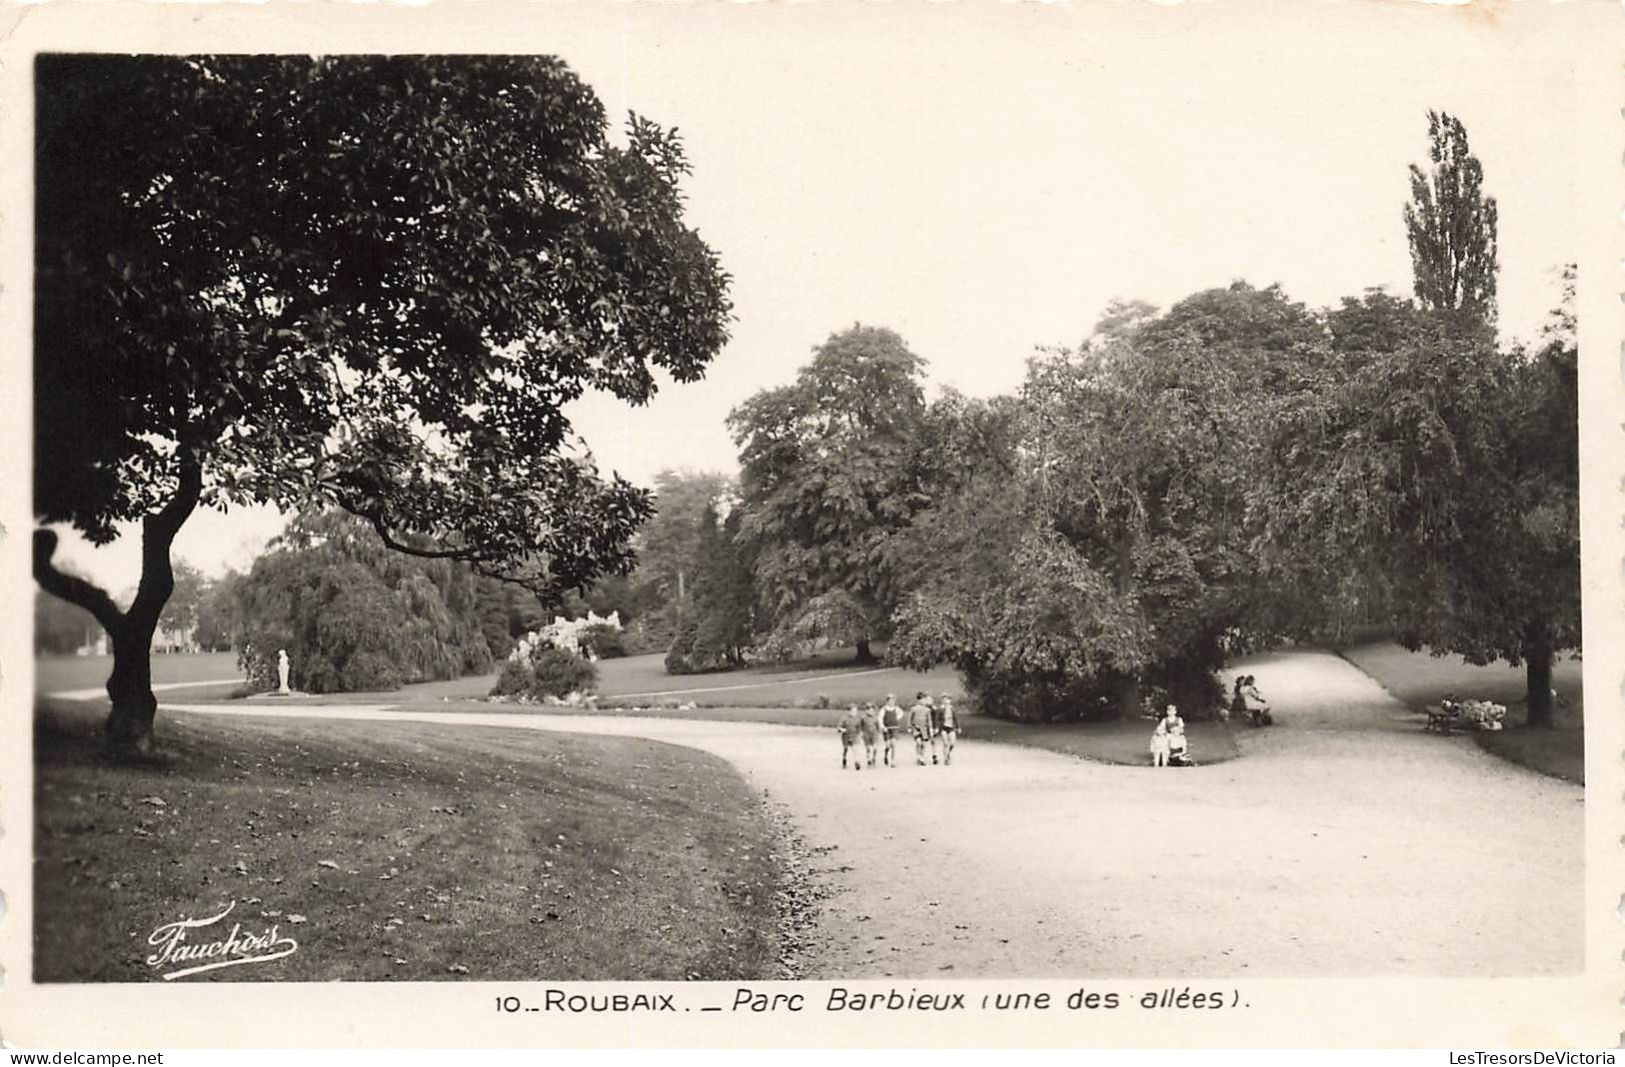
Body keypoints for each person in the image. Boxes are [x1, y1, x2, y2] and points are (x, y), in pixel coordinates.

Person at [907, 691, 935, 766]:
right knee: (918, 742)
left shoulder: (927, 710)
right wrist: (909, 727)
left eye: (923, 699)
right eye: (921, 699)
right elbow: (910, 718)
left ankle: (921, 756)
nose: (922, 701)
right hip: (916, 728)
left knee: (923, 744)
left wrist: (931, 728)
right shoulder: (913, 709)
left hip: (924, 729)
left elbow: (929, 720)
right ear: (918, 700)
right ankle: (919, 756)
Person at [878, 693, 904, 767]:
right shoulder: (884, 709)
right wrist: (882, 727)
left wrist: (898, 718)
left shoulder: (896, 708)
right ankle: (886, 754)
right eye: (890, 701)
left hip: (895, 728)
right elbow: (880, 718)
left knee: (893, 744)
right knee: (888, 745)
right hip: (887, 728)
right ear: (887, 701)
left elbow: (901, 713)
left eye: (893, 701)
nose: (892, 702)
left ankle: (893, 760)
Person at [935, 693, 959, 765]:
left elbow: (955, 718)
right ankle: (946, 759)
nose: (946, 701)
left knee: (952, 743)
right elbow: (937, 719)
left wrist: (958, 727)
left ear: (950, 700)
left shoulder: (952, 709)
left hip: (951, 727)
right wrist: (936, 727)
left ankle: (948, 753)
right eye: (944, 699)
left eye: (947, 699)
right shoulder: (940, 709)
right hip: (943, 728)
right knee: (945, 743)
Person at [837, 705, 863, 770]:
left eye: (855, 711)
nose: (854, 712)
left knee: (855, 749)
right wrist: (842, 729)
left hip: (854, 735)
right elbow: (839, 727)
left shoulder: (858, 719)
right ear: (849, 711)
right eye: (852, 711)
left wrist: (859, 734)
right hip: (846, 736)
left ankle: (856, 762)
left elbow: (859, 728)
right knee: (846, 748)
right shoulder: (844, 719)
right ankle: (844, 758)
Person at [859, 703, 882, 769]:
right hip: (866, 734)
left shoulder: (876, 718)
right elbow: (861, 726)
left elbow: (878, 727)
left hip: (874, 734)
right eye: (869, 710)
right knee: (868, 748)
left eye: (872, 710)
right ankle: (869, 760)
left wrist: (879, 734)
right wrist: (861, 733)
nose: (871, 712)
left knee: (875, 747)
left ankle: (874, 757)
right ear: (866, 711)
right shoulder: (863, 718)